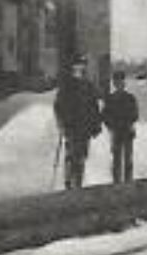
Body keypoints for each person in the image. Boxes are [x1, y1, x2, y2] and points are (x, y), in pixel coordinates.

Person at [53, 56, 104, 190]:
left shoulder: (89, 86)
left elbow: (94, 107)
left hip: (85, 127)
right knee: (71, 155)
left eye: (83, 66)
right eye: (78, 66)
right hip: (71, 127)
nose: (81, 68)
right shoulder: (67, 86)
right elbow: (58, 107)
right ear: (73, 68)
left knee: (82, 156)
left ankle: (78, 184)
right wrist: (61, 124)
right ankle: (68, 182)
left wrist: (96, 125)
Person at [102, 69, 140, 184]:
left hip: (127, 130)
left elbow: (135, 114)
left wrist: (129, 122)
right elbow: (105, 116)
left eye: (121, 81)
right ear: (114, 83)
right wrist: (111, 127)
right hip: (116, 132)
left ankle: (128, 180)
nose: (120, 84)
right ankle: (116, 181)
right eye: (117, 81)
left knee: (128, 158)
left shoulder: (130, 98)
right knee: (116, 159)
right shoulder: (110, 99)